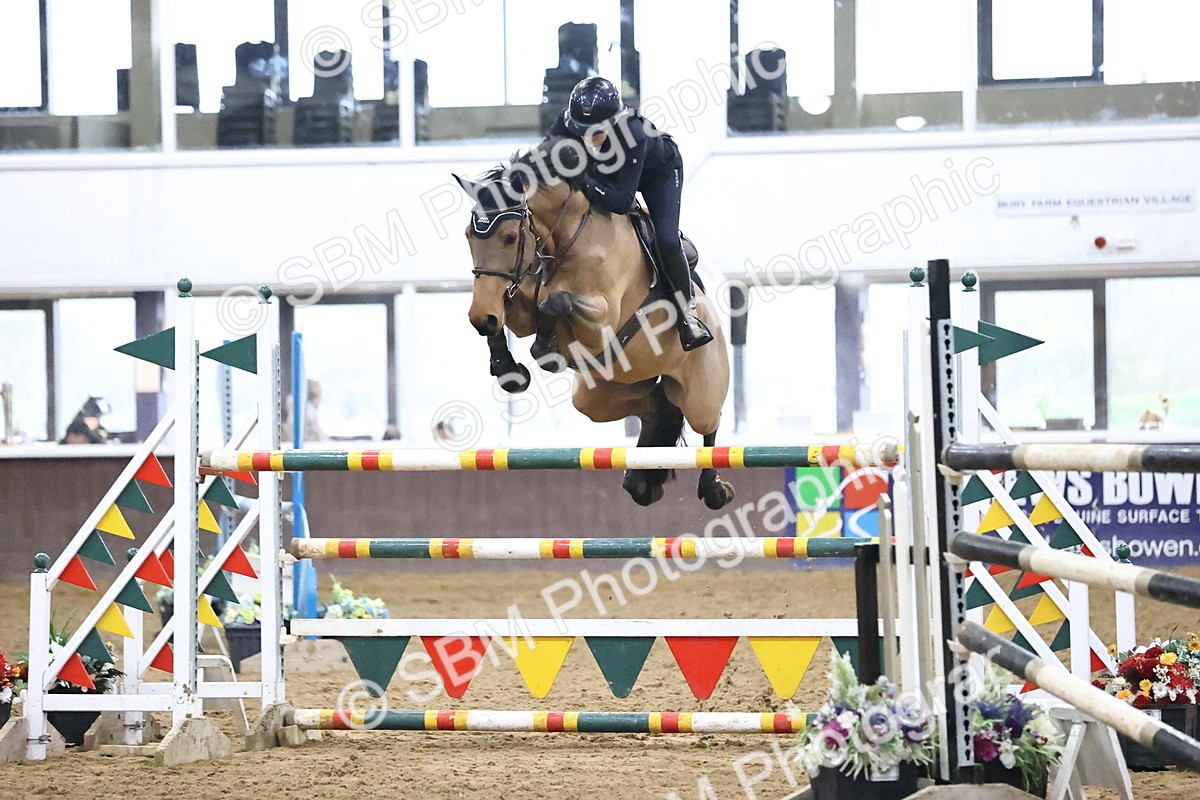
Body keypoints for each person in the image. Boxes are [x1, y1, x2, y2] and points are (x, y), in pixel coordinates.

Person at [547, 77, 713, 351]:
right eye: (581, 131)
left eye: (596, 132)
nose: (588, 139)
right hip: (607, 175)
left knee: (666, 240)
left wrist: (582, 179)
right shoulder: (565, 124)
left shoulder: (633, 132)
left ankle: (687, 314)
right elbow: (544, 164)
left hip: (657, 174)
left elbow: (621, 201)